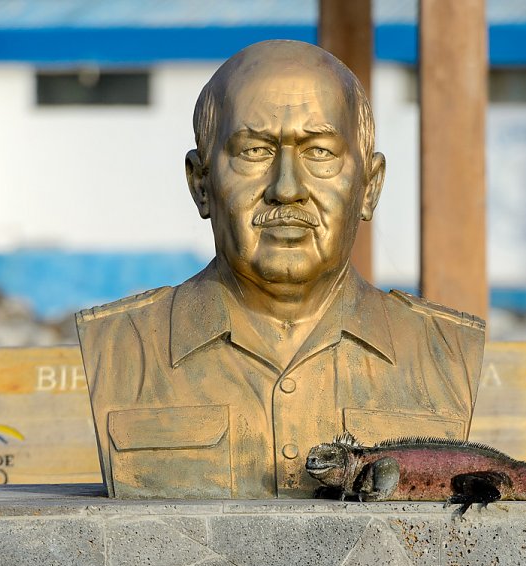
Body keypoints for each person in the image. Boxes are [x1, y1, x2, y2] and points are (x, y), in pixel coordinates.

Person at [76, 39, 486, 499]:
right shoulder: (120, 346)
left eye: (319, 152)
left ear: (369, 186)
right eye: (254, 151)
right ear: (201, 184)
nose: (286, 189)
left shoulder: (446, 352)